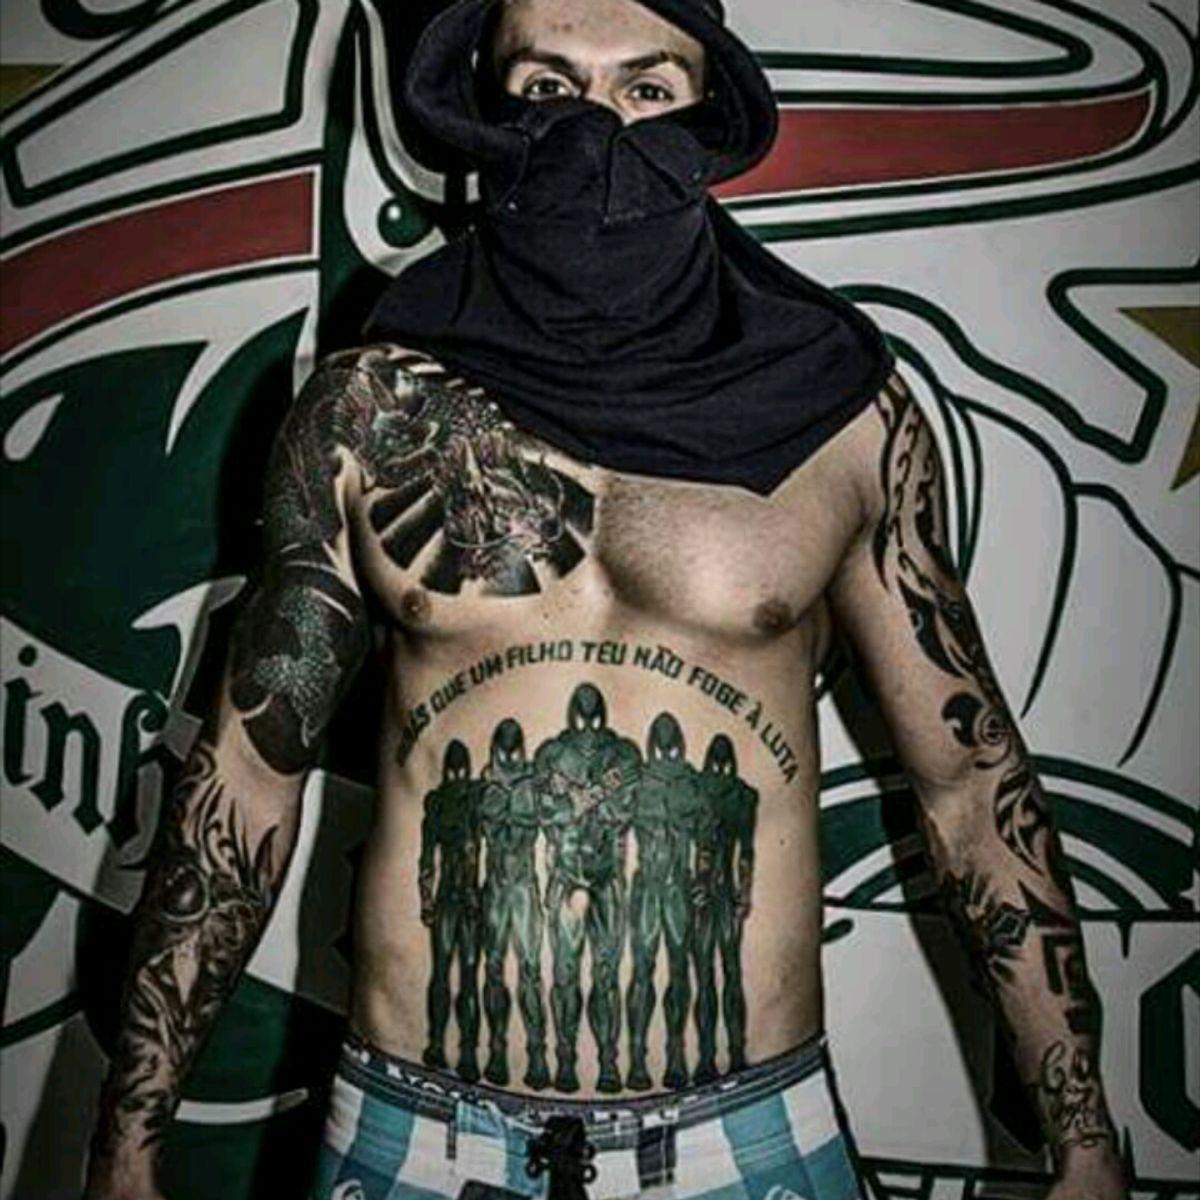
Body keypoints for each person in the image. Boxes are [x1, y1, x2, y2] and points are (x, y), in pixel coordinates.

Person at [82, 0, 1129, 1198]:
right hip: (414, 1141)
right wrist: (129, 1138)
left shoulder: (841, 416)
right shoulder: (370, 409)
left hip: (743, 1149)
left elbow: (970, 787)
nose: (596, 133)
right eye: (547, 91)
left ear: (710, 112)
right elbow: (246, 774)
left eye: (646, 90)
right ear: (482, 112)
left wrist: (1084, 1139)